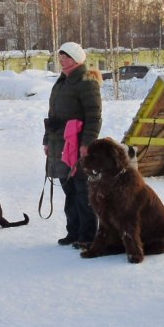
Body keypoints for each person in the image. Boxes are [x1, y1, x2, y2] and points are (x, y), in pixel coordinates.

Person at [43, 42, 102, 248]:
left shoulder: (86, 81)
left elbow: (94, 117)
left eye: (66, 58)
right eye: (60, 57)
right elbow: (52, 115)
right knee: (68, 189)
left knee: (82, 190)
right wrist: (46, 141)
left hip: (77, 144)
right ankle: (73, 231)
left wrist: (87, 144)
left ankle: (87, 235)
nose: (62, 61)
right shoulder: (61, 81)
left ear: (77, 59)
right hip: (59, 143)